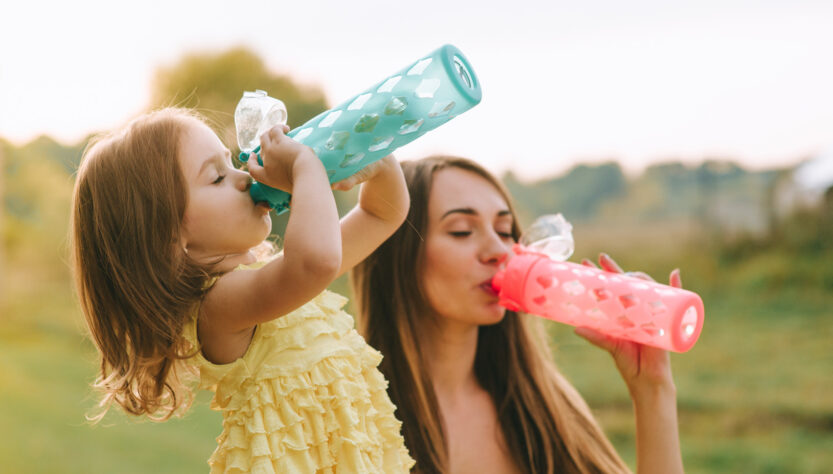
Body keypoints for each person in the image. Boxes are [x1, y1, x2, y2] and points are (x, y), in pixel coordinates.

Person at [71, 108, 415, 473]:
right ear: (167, 238)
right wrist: (304, 167)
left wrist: (383, 165)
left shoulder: (276, 280)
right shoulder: (219, 306)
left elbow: (382, 215)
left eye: (233, 163)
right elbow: (316, 262)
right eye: (218, 177)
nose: (244, 177)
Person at [351, 155, 685, 474]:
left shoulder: (541, 406)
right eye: (462, 231)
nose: (499, 250)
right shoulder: (352, 418)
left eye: (506, 230)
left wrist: (653, 390)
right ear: (397, 254)